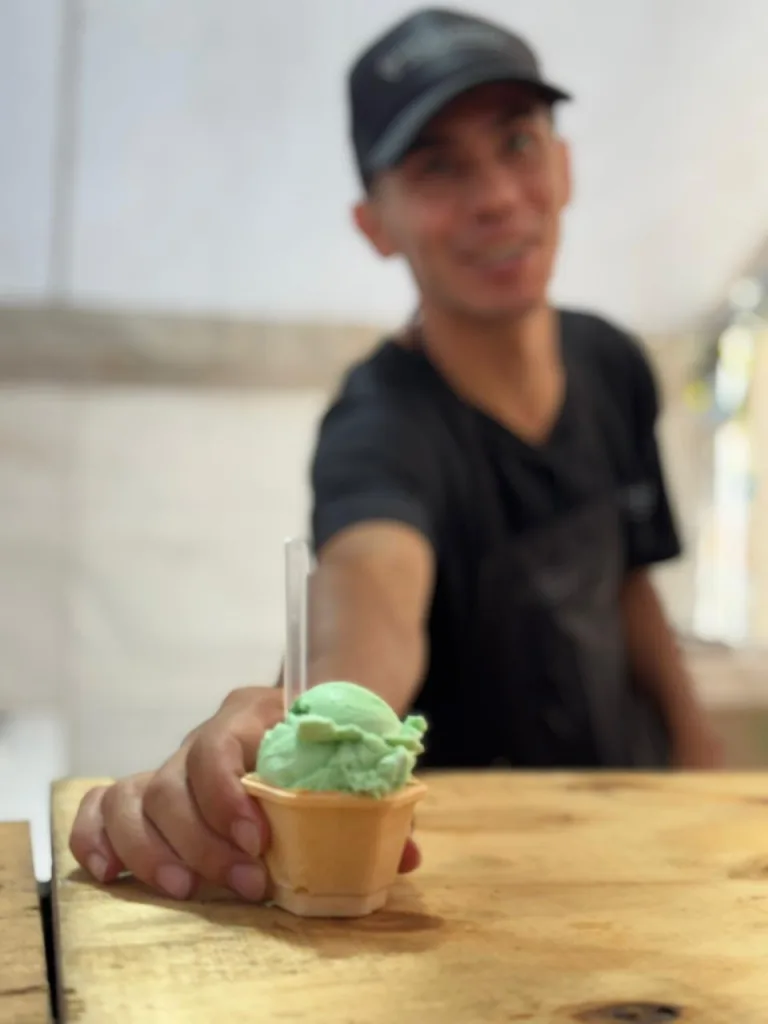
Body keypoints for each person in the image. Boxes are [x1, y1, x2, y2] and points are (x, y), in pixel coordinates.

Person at [69, 7, 723, 903]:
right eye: (438, 168)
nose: (495, 195)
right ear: (374, 223)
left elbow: (629, 583)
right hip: (463, 887)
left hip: (629, 841)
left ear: (564, 166)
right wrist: (288, 725)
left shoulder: (612, 363)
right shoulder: (381, 426)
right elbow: (368, 598)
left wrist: (701, 767)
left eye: (518, 142)